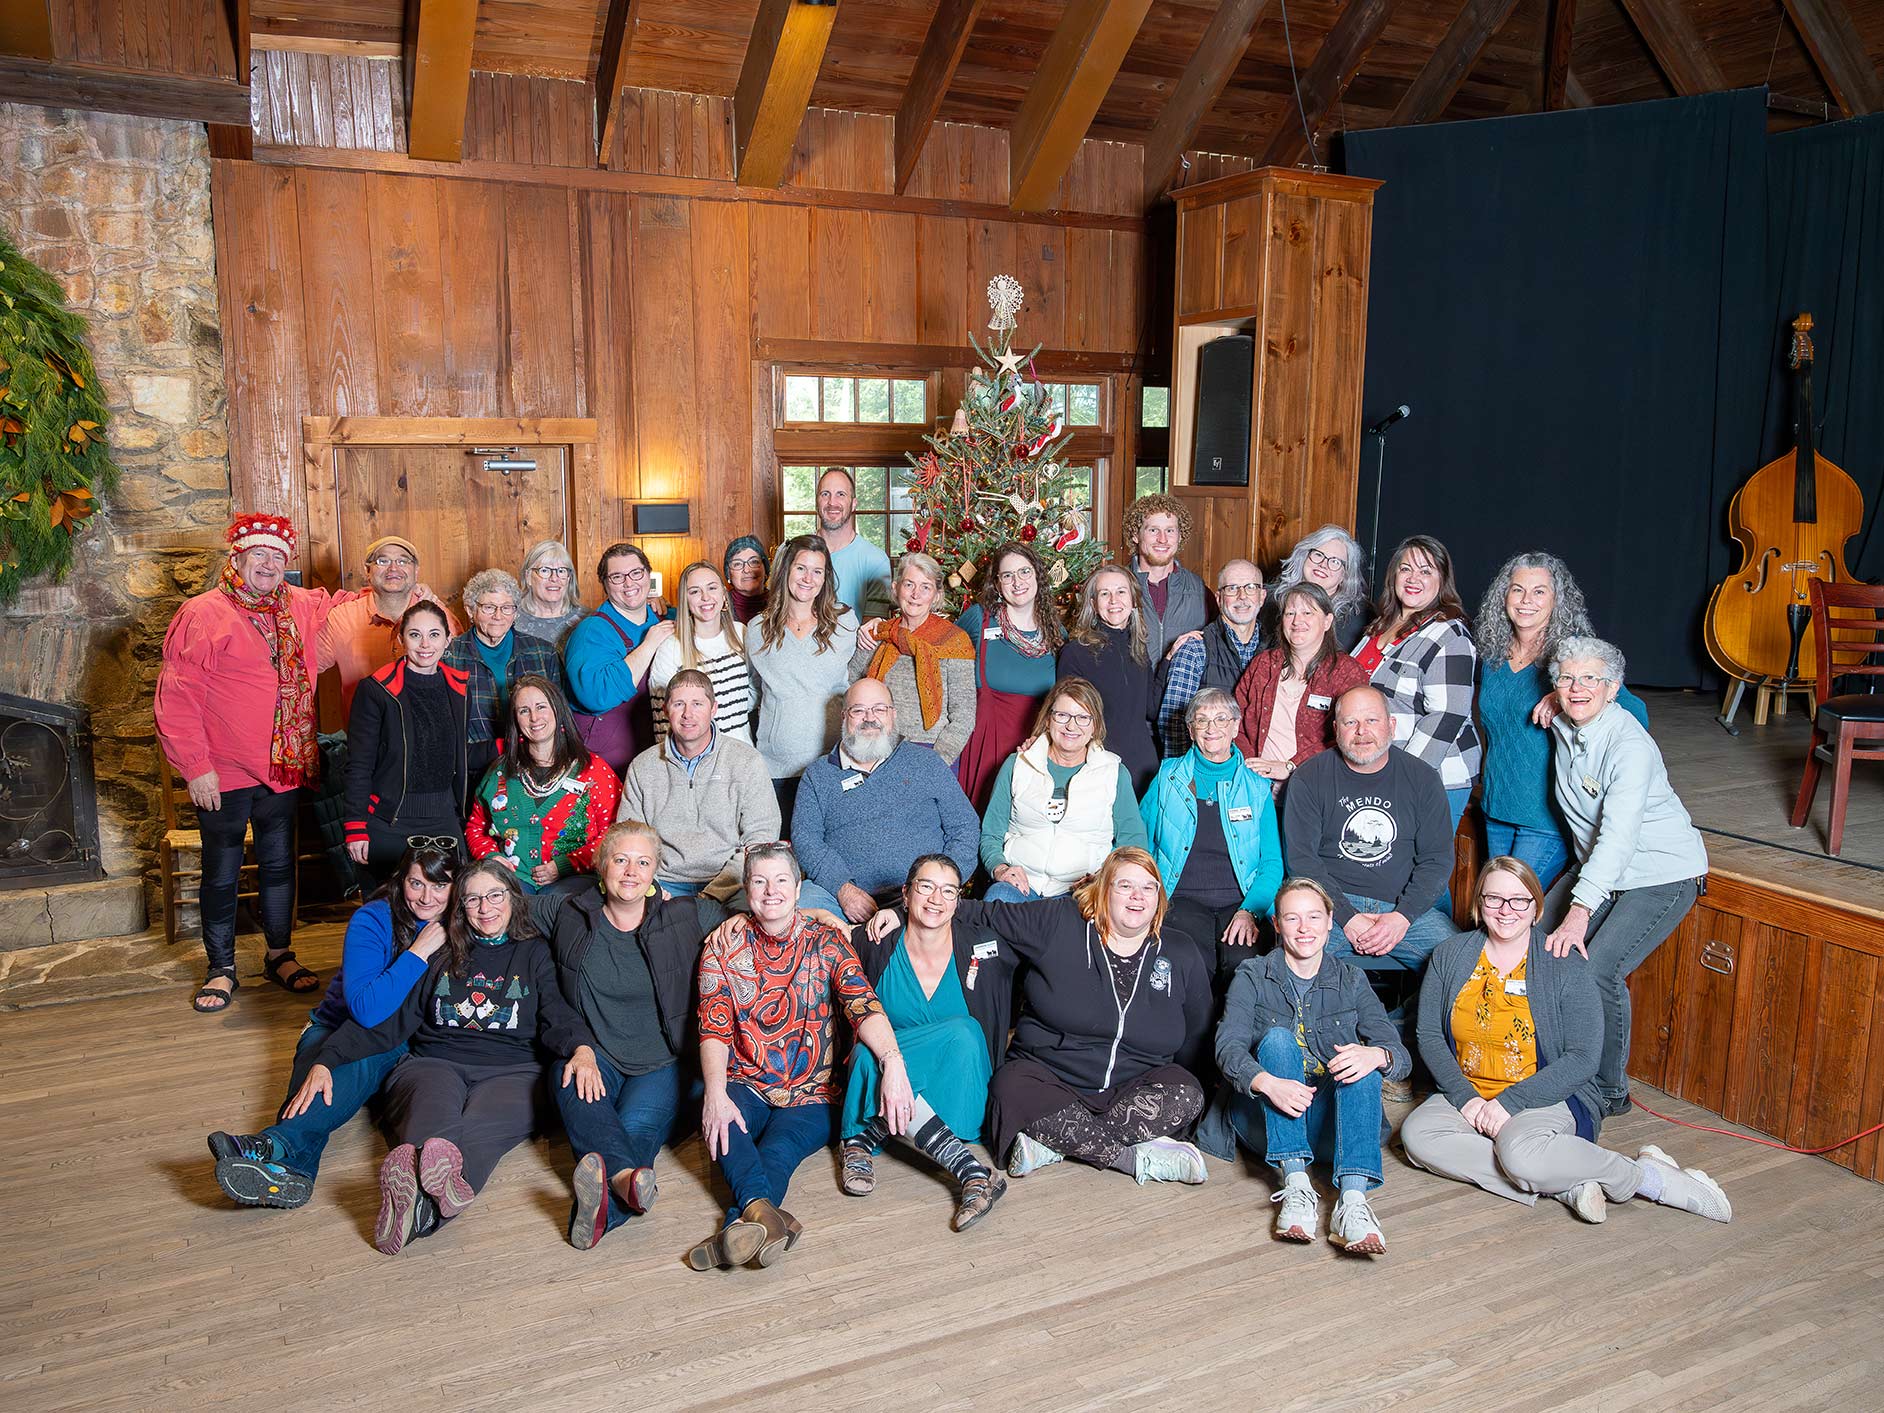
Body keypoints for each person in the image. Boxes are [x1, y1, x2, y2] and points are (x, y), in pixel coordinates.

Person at [288, 858, 605, 1254]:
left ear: (513, 898)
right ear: (460, 906)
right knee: (431, 1126)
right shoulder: (441, 950)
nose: (485, 908)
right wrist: (327, 1057)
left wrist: (582, 1048)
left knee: (481, 1130)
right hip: (434, 1062)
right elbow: (391, 1022)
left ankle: (417, 1208)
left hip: (512, 1071)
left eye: (494, 896)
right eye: (473, 899)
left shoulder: (534, 953)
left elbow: (556, 1013)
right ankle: (426, 1196)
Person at [1402, 859, 1730, 1223]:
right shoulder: (1451, 955)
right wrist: (1465, 1098)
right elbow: (1429, 1034)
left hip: (1543, 1096)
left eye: (1519, 900)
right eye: (1494, 899)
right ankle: (1562, 1184)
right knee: (1418, 1136)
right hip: (1471, 1091)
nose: (1506, 910)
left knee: (1521, 1154)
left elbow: (1584, 1058)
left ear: (1536, 907)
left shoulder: (1564, 963)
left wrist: (1510, 1103)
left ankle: (1647, 1177)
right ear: (1479, 905)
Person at [873, 848, 1212, 1184]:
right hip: (1051, 1082)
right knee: (1009, 1088)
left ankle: (1053, 1144)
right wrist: (904, 915)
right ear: (1103, 888)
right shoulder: (1058, 921)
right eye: (1125, 886)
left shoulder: (1180, 951)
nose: (1137, 896)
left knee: (1188, 1093)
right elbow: (974, 912)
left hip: (1134, 1090)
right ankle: (1133, 1159)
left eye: (1148, 887)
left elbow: (1196, 1034)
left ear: (1159, 897)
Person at [155, 512, 348, 1011]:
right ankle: (220, 969)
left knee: (280, 866)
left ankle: (279, 954)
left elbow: (354, 604)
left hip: (282, 767)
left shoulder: (299, 604)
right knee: (222, 870)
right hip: (223, 771)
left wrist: (408, 592)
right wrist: (196, 767)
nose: (268, 564)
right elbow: (177, 696)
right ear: (237, 558)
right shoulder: (203, 612)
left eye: (277, 557)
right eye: (258, 554)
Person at [688, 842, 907, 1271]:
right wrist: (716, 1093)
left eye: (781, 880)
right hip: (746, 1080)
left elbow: (861, 1003)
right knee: (723, 1120)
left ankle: (740, 1224)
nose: (771, 891)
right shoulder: (722, 947)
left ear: (799, 886)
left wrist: (892, 1061)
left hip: (815, 1091)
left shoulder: (826, 940)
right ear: (746, 888)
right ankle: (764, 1217)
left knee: (781, 1150)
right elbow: (712, 1024)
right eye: (760, 881)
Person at [207, 845, 457, 1208]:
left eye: (439, 886)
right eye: (416, 883)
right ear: (401, 880)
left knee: (359, 1061)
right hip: (334, 1025)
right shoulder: (373, 919)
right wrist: (418, 952)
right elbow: (365, 1010)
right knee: (314, 1073)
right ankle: (287, 1170)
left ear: (455, 887)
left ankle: (268, 1146)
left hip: (394, 1037)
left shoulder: (459, 926)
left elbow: (381, 1024)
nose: (426, 896)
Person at [1542, 636, 1707, 1117]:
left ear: (1613, 688)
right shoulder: (1568, 720)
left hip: (1660, 871)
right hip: (1602, 865)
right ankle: (1553, 1060)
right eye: (1566, 678)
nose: (1577, 688)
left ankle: (1611, 1091)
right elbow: (1567, 700)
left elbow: (1619, 836)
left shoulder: (1630, 745)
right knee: (1535, 943)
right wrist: (1553, 700)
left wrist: (1578, 912)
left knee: (1598, 970)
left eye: (1590, 679)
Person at [1196, 878, 1407, 1254]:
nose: (1304, 928)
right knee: (1277, 1040)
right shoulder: (1252, 975)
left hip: (1331, 1126)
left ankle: (1353, 1204)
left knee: (1361, 1059)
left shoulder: (1351, 978)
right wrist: (1265, 1082)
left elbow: (1398, 1054)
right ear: (1276, 925)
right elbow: (1228, 1047)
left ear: (1330, 922)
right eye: (1292, 918)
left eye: (1313, 917)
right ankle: (1295, 1186)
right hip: (1264, 1120)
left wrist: (1378, 1055)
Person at [551, 821, 726, 1249]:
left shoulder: (686, 914)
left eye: (643, 862)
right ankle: (629, 1182)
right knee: (571, 1080)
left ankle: (602, 1208)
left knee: (634, 1132)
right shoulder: (568, 912)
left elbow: (757, 918)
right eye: (621, 859)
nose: (631, 871)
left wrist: (809, 913)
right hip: (598, 1055)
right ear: (600, 865)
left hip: (661, 1061)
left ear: (655, 874)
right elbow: (499, 908)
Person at [1284, 686, 1458, 1077]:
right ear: (1336, 729)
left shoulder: (1421, 778)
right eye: (1350, 722)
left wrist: (1402, 918)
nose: (1361, 731)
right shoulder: (1311, 777)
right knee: (1290, 966)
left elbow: (1436, 860)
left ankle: (1392, 1043)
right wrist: (1346, 917)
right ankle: (1320, 1060)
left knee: (1460, 962)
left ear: (1391, 726)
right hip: (1332, 906)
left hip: (1403, 909)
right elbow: (1303, 861)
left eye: (1372, 720)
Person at [841, 855, 1010, 1230]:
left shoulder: (983, 942)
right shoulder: (877, 942)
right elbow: (816, 932)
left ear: (958, 901)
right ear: (905, 893)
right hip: (889, 1072)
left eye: (948, 891)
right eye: (926, 887)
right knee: (868, 1053)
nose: (936, 899)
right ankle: (970, 1171)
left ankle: (870, 1135)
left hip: (956, 1082)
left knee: (964, 1033)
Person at [1474, 553, 1649, 889]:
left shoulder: (1572, 657)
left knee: (1511, 904)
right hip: (1497, 807)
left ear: (1557, 600)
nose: (1527, 601)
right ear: (1504, 597)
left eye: (1539, 592)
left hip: (1546, 817)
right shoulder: (1494, 655)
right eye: (1517, 590)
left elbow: (1635, 714)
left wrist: (1566, 694)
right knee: (1499, 909)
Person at [791, 678, 980, 922]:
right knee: (803, 908)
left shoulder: (927, 763)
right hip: (841, 895)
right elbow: (805, 839)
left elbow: (965, 826)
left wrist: (941, 888)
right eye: (858, 710)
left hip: (920, 897)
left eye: (879, 709)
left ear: (893, 715)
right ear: (844, 717)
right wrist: (843, 889)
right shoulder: (818, 775)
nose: (870, 718)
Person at [1140, 688, 1283, 994]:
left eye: (1221, 719)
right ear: (1190, 730)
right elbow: (1138, 842)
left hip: (1242, 900)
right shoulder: (1167, 778)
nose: (1211, 728)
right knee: (1189, 963)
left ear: (1235, 726)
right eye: (1201, 720)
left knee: (1244, 965)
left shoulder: (1257, 787)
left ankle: (1234, 1041)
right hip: (1181, 898)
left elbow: (1271, 862)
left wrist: (1251, 911)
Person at [980, 676, 1148, 904]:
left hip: (1081, 892)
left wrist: (1101, 880)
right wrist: (1000, 869)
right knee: (997, 899)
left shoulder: (1114, 773)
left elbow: (1132, 845)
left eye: (1083, 718)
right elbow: (991, 833)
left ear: (1095, 726)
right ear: (1048, 719)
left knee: (1077, 924)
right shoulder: (1017, 764)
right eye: (1062, 715)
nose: (1071, 726)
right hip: (1021, 886)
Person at [619, 669, 780, 900]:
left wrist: (715, 894)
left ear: (713, 709)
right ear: (665, 710)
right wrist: (652, 888)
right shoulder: (642, 767)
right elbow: (630, 837)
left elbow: (761, 838)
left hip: (733, 883)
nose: (688, 714)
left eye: (697, 704)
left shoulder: (746, 761)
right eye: (678, 704)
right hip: (664, 882)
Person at [1354, 535, 1481, 827]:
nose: (1414, 578)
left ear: (1442, 580)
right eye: (1406, 569)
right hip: (1379, 770)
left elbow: (1446, 715)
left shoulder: (1449, 634)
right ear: (1394, 575)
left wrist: (1400, 777)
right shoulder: (1378, 627)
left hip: (1432, 778)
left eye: (1426, 571)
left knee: (1419, 867)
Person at [464, 674, 620, 899]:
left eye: (541, 707)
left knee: (560, 909)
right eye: (524, 711)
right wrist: (491, 857)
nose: (534, 717)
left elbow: (614, 833)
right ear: (515, 720)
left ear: (558, 711)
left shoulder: (593, 770)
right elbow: (476, 827)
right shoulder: (499, 772)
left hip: (576, 881)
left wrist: (567, 865)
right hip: (514, 880)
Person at [344, 601, 468, 880]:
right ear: (401, 639)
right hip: (390, 820)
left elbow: (453, 753)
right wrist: (355, 825)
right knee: (387, 911)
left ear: (448, 639)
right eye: (415, 635)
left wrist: (508, 746)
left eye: (434, 635)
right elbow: (359, 765)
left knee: (448, 912)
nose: (425, 644)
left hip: (443, 819)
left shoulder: (459, 687)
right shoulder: (375, 689)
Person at [745, 534, 858, 823]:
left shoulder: (845, 623)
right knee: (780, 858)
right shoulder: (757, 629)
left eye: (817, 571)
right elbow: (752, 691)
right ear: (786, 570)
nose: (808, 578)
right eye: (801, 568)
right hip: (776, 768)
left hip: (832, 764)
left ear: (825, 578)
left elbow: (862, 678)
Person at [953, 541, 1065, 811]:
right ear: (997, 583)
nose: (1017, 582)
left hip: (1034, 748)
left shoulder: (1057, 635)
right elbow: (934, 644)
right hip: (983, 745)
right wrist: (882, 626)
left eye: (1025, 572)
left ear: (1038, 575)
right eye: (1007, 575)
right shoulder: (979, 619)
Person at [1234, 582, 1370, 787]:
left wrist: (1291, 766)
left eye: (1308, 613)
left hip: (1316, 787)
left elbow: (1351, 736)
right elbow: (1236, 718)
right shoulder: (1263, 664)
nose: (1297, 621)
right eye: (1290, 613)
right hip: (1257, 787)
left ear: (1327, 621)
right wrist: (1250, 768)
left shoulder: (1347, 673)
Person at [440, 568, 560, 795]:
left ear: (515, 613)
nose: (498, 615)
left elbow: (560, 716)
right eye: (488, 607)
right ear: (470, 610)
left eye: (506, 608)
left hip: (537, 771)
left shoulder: (542, 653)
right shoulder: (449, 657)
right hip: (473, 776)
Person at [315, 533, 459, 721]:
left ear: (416, 572)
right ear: (368, 571)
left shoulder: (439, 617)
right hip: (366, 740)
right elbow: (302, 670)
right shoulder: (342, 618)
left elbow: (462, 675)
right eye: (382, 561)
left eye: (402, 561)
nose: (393, 568)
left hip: (429, 735)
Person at [850, 551, 977, 764]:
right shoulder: (877, 634)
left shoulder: (954, 641)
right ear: (895, 588)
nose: (915, 594)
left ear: (936, 595)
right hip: (875, 748)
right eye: (909, 584)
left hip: (932, 752)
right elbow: (848, 687)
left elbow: (964, 714)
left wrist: (936, 761)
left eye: (925, 587)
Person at [565, 541, 675, 775]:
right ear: (605, 584)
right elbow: (596, 696)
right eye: (617, 577)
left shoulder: (665, 618)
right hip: (607, 767)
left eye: (636, 573)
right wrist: (649, 645)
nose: (629, 583)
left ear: (648, 576)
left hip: (656, 758)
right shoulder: (591, 632)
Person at [1057, 563, 1160, 791]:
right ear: (1093, 604)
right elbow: (1067, 721)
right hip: (1098, 767)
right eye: (1105, 594)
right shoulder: (1075, 652)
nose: (1114, 600)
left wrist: (1170, 659)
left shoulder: (1139, 650)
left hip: (1143, 767)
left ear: (1134, 600)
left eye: (1121, 592)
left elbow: (1151, 708)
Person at [1154, 558, 1266, 758]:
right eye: (1232, 588)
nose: (1242, 596)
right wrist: (1184, 778)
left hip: (1255, 774)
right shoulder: (1195, 649)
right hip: (1203, 770)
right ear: (1219, 598)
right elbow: (1172, 726)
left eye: (1250, 587)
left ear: (1262, 596)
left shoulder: (1274, 652)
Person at [648, 561, 753, 743]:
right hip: (695, 760)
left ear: (723, 595)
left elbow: (756, 688)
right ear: (685, 601)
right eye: (695, 591)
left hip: (742, 754)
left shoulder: (741, 633)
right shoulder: (670, 648)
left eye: (712, 588)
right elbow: (662, 723)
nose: (705, 597)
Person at [1125, 493, 1212, 662]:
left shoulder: (1200, 590)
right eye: (1153, 530)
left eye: (1170, 531)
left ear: (1180, 536)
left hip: (1181, 687)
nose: (1162, 539)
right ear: (1136, 535)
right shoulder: (1115, 587)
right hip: (1130, 687)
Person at [1266, 525, 1370, 653]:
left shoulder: (1358, 617)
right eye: (1318, 554)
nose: (1323, 565)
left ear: (1345, 574)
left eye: (1335, 562)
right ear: (1303, 556)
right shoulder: (1270, 599)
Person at [815, 467, 893, 619]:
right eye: (825, 494)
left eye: (841, 494)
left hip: (854, 643)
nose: (832, 502)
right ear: (817, 501)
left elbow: (872, 631)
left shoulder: (876, 560)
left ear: (854, 503)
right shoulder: (791, 552)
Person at [515, 540, 584, 649]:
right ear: (528, 577)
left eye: (561, 571)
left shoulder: (587, 620)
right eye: (545, 570)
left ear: (569, 578)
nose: (554, 578)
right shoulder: (510, 619)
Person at [723, 536, 769, 625]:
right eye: (737, 564)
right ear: (728, 574)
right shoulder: (717, 607)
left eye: (754, 562)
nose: (747, 570)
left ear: (765, 570)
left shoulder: (781, 604)